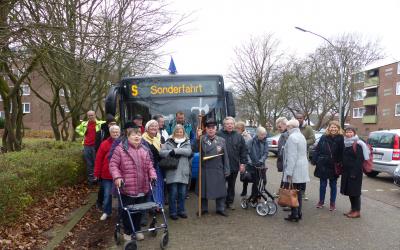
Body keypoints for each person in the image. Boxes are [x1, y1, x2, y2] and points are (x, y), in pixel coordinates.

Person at [109, 127, 157, 241]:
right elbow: (113, 165)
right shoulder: (120, 149)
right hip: (127, 188)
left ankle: (137, 229)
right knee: (127, 212)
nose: (137, 137)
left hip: (142, 187)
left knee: (139, 211)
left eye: (139, 135)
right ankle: (128, 232)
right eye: (134, 135)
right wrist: (117, 177)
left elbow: (150, 165)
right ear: (127, 137)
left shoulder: (144, 149)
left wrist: (153, 174)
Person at [194, 118, 230, 216]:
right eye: (208, 128)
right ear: (205, 129)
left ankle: (220, 208)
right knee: (203, 190)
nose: (211, 130)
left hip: (218, 168)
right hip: (205, 169)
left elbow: (225, 156)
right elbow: (194, 149)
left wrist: (227, 169)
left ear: (216, 129)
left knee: (220, 190)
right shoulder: (202, 139)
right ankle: (203, 208)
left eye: (213, 128)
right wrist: (197, 138)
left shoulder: (221, 140)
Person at [160, 124, 192, 220]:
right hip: (172, 172)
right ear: (174, 132)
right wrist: (170, 152)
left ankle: (181, 211)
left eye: (181, 132)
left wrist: (176, 150)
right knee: (173, 194)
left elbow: (189, 152)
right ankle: (173, 212)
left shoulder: (187, 142)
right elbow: (161, 153)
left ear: (183, 133)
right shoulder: (168, 142)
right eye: (177, 132)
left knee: (182, 194)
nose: (179, 133)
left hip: (183, 171)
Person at [217, 116, 247, 210]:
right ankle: (221, 203)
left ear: (234, 125)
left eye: (231, 124)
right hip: (220, 165)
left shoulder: (238, 136)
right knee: (220, 185)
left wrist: (242, 163)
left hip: (234, 165)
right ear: (224, 125)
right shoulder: (218, 135)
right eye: (227, 124)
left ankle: (230, 202)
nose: (229, 125)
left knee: (231, 185)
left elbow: (243, 151)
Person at [282, 119, 310, 222]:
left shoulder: (292, 137)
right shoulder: (301, 136)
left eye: (287, 127)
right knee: (298, 192)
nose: (286, 128)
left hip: (295, 169)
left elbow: (292, 156)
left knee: (293, 192)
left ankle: (295, 214)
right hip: (301, 167)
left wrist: (289, 172)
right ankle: (298, 213)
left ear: (290, 127)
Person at [312, 121, 344, 211]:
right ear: (328, 128)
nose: (333, 129)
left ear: (338, 128)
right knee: (322, 184)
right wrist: (315, 160)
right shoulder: (323, 137)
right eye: (332, 127)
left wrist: (341, 163)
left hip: (334, 165)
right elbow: (317, 149)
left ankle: (332, 203)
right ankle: (321, 201)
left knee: (333, 185)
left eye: (335, 127)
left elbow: (342, 153)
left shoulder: (341, 138)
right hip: (323, 164)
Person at [341, 126, 369, 219]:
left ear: (354, 133)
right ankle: (353, 209)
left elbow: (359, 160)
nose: (349, 134)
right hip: (347, 172)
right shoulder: (345, 143)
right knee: (350, 192)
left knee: (355, 193)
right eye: (347, 132)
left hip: (355, 172)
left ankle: (357, 211)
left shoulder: (358, 144)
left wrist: (354, 173)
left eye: (350, 132)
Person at [94, 125, 121, 221]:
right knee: (107, 196)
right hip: (107, 175)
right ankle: (106, 212)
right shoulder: (104, 144)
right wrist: (96, 173)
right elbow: (98, 159)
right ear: (110, 133)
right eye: (114, 132)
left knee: (121, 196)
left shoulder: (123, 143)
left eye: (117, 131)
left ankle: (121, 213)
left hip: (120, 175)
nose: (116, 133)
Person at [75, 110, 105, 185]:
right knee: (89, 164)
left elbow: (111, 124)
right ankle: (90, 180)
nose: (91, 117)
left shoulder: (101, 123)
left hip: (96, 146)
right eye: (89, 115)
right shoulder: (84, 124)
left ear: (95, 115)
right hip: (86, 145)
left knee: (97, 162)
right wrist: (83, 133)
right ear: (87, 116)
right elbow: (77, 129)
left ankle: (97, 179)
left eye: (92, 115)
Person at [94, 114, 116, 209]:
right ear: (107, 124)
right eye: (111, 123)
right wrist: (97, 171)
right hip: (104, 165)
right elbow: (97, 150)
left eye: (114, 123)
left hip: (114, 167)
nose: (113, 125)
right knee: (103, 188)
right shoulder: (100, 133)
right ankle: (100, 202)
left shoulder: (117, 133)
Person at [142, 120, 164, 206]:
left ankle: (158, 205)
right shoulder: (143, 139)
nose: (154, 127)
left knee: (158, 186)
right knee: (150, 187)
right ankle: (150, 205)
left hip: (157, 166)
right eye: (152, 126)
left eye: (156, 126)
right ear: (147, 128)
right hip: (147, 167)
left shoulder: (159, 137)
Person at [295, 112, 315, 200]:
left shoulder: (308, 128)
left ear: (303, 118)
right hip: (293, 154)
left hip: (303, 154)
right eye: (297, 118)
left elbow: (313, 139)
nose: (299, 119)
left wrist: (302, 143)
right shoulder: (293, 127)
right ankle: (293, 191)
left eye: (300, 118)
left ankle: (302, 193)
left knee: (302, 174)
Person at [246, 126, 269, 200]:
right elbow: (246, 153)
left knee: (264, 181)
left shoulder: (265, 142)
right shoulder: (251, 141)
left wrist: (261, 160)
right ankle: (254, 197)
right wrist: (250, 162)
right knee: (256, 182)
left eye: (264, 134)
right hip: (252, 166)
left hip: (261, 165)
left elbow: (266, 152)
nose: (264, 136)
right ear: (257, 134)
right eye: (262, 135)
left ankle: (258, 194)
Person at [235, 121, 252, 197]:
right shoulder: (237, 135)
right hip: (237, 158)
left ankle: (244, 190)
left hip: (245, 158)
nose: (236, 130)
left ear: (241, 128)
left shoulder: (247, 136)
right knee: (241, 174)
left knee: (245, 174)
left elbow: (249, 149)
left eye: (237, 128)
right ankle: (244, 190)